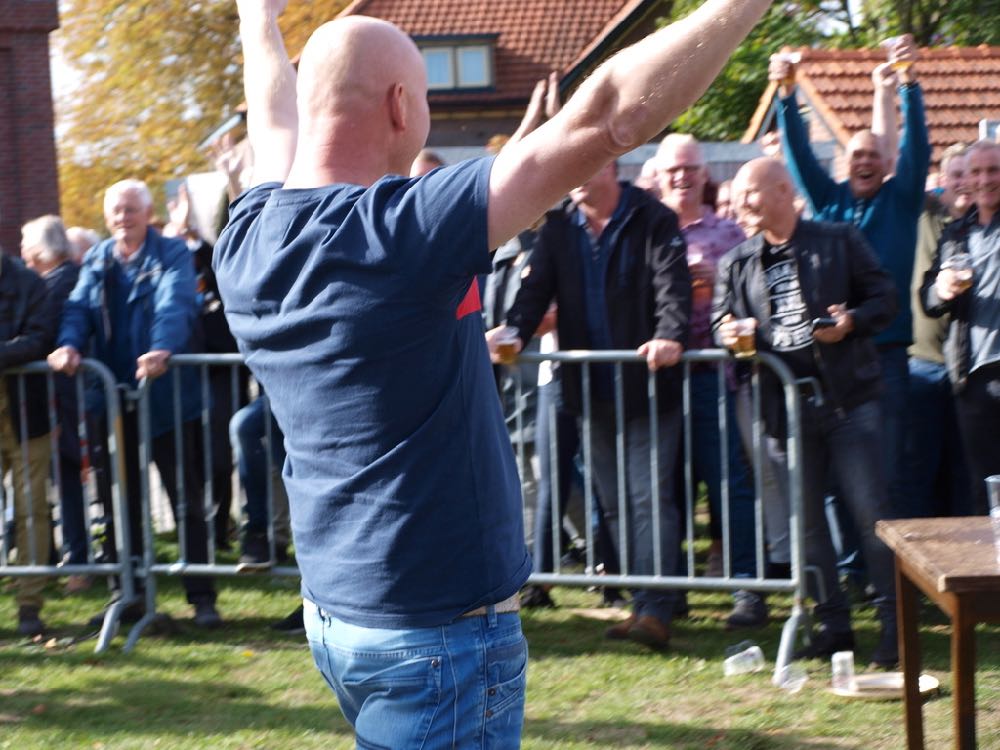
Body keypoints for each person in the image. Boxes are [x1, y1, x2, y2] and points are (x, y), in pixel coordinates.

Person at [213, 0, 773, 743]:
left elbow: (271, 117)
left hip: (342, 614)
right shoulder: (406, 229)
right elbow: (608, 118)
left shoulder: (248, 235)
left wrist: (259, 19)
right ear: (401, 104)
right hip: (437, 628)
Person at [495, 158, 691, 651]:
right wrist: (515, 330)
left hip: (648, 388)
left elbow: (673, 288)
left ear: (612, 166)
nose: (575, 176)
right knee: (616, 502)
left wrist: (669, 336)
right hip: (589, 392)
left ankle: (657, 609)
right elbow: (534, 291)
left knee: (648, 497)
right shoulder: (559, 227)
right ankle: (641, 602)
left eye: (586, 165)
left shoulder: (653, 218)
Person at [713, 157, 900, 667]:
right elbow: (719, 322)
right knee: (808, 527)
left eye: (750, 193)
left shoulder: (838, 240)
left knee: (872, 518)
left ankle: (893, 628)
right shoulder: (737, 260)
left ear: (781, 190)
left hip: (847, 402)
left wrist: (852, 321)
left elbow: (886, 298)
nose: (741, 204)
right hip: (782, 411)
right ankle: (833, 628)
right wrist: (730, 335)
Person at [47, 179, 222, 629]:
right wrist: (68, 345)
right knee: (118, 502)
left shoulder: (171, 254)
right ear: (107, 218)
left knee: (185, 497)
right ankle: (129, 596)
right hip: (111, 398)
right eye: (116, 211)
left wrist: (162, 348)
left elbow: (176, 303)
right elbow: (79, 307)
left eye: (130, 210)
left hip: (166, 395)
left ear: (147, 214)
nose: (123, 218)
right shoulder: (100, 259)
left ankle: (202, 599)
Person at [770, 37, 930, 521]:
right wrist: (785, 93)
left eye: (872, 156)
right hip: (838, 356)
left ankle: (898, 574)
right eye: (855, 155)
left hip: (887, 353)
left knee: (891, 462)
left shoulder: (902, 200)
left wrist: (909, 82)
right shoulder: (829, 203)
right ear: (844, 163)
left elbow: (917, 144)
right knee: (844, 466)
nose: (863, 161)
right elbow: (797, 154)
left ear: (886, 166)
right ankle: (854, 568)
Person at [654, 133, 765, 628]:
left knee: (729, 485)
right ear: (658, 177)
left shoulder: (729, 233)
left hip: (714, 377)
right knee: (666, 488)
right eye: (673, 170)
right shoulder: (646, 232)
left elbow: (752, 296)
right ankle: (672, 589)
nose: (682, 177)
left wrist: (716, 284)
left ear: (703, 173)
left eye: (689, 168)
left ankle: (748, 589)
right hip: (656, 380)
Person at [922, 139, 1000, 514]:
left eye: (993, 170)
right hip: (973, 378)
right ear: (965, 178)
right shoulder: (956, 232)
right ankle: (989, 570)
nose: (985, 179)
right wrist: (941, 288)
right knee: (982, 485)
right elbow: (928, 298)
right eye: (977, 171)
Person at [902, 144, 973, 517]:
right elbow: (908, 162)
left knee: (966, 475)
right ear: (942, 180)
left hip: (971, 372)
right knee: (919, 474)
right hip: (924, 365)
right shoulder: (926, 215)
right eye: (956, 173)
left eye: (970, 173)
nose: (964, 181)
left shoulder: (986, 226)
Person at [20, 215, 89, 592]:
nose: (21, 250)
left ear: (40, 248)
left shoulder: (61, 284)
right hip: (57, 400)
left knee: (68, 483)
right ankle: (61, 560)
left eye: (25, 242)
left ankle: (78, 563)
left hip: (65, 400)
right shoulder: (55, 281)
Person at [0, 245, 58, 636]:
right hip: (20, 403)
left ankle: (29, 605)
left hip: (24, 412)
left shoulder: (29, 284)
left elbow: (40, 339)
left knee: (31, 508)